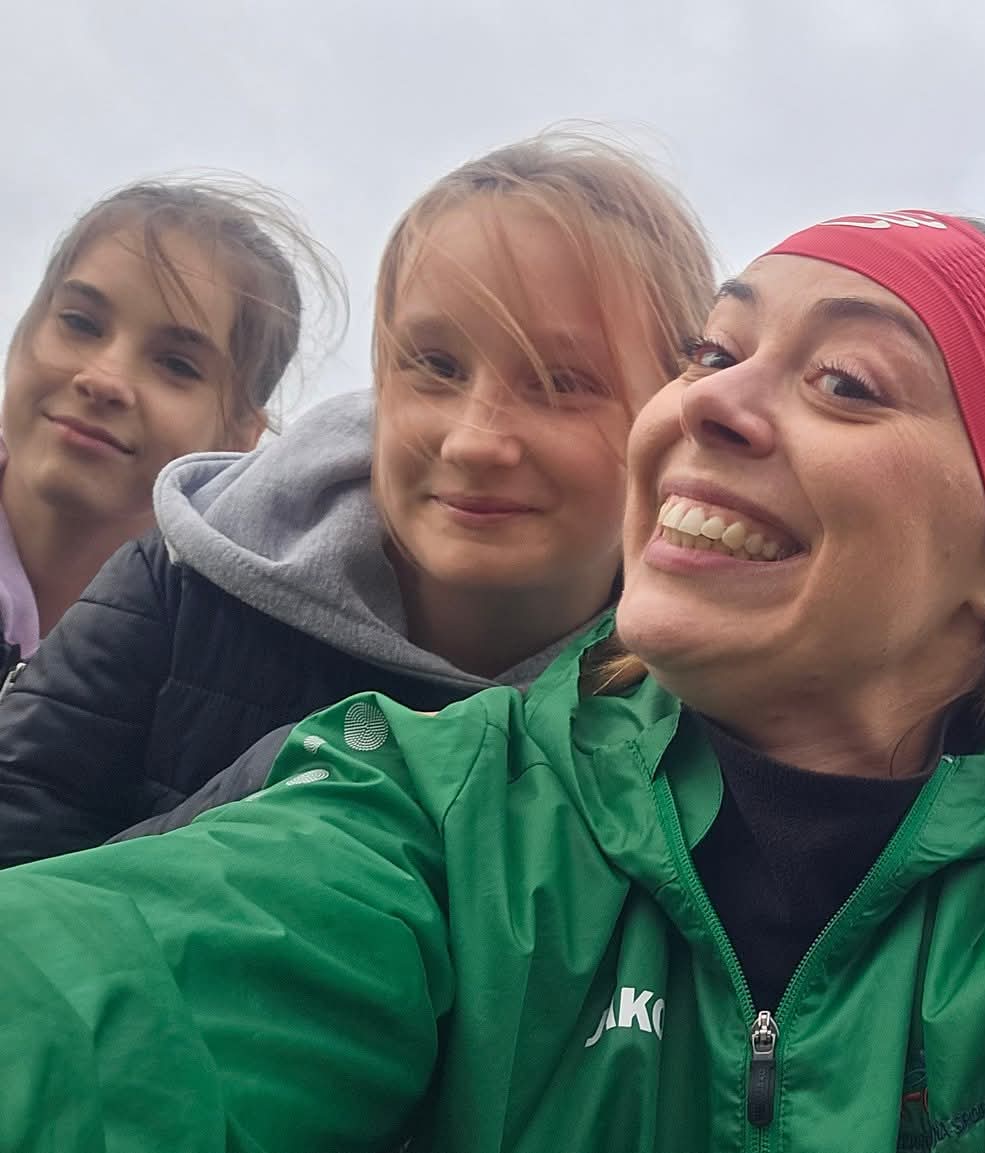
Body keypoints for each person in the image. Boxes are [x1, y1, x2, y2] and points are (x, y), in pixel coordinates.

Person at [0, 210, 985, 1151]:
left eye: (845, 382)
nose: (703, 401)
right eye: (713, 353)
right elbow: (93, 1002)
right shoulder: (444, 800)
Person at [0, 132, 716, 866]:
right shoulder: (181, 586)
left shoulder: (713, 718)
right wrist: (298, 792)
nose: (473, 442)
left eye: (562, 382)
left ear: (669, 414)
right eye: (435, 366)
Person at [0, 176, 332, 672]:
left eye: (177, 364)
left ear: (239, 438)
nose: (105, 380)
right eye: (80, 322)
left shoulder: (234, 671)